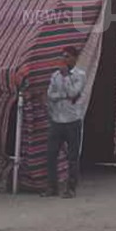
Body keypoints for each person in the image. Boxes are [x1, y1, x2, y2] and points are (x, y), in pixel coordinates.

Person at [43, 47, 86, 198]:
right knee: (51, 154)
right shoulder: (55, 75)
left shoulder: (80, 75)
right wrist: (63, 95)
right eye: (63, 57)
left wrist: (67, 77)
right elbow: (50, 94)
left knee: (72, 156)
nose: (64, 60)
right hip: (57, 119)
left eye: (67, 57)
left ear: (74, 58)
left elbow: (74, 92)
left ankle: (71, 188)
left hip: (72, 120)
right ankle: (52, 187)